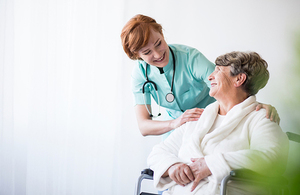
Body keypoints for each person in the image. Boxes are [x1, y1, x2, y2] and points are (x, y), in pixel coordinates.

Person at [147, 51, 289, 195]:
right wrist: (172, 166)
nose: (210, 76)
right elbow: (158, 153)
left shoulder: (260, 118)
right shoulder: (198, 118)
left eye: (218, 70)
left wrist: (212, 164)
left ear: (239, 79)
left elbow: (271, 158)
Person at [120, 14, 280, 139]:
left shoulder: (190, 58)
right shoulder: (140, 74)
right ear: (137, 55)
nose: (158, 54)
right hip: (175, 131)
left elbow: (228, 84)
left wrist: (255, 105)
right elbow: (144, 126)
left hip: (213, 122)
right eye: (147, 52)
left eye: (159, 43)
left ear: (162, 34)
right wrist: (175, 123)